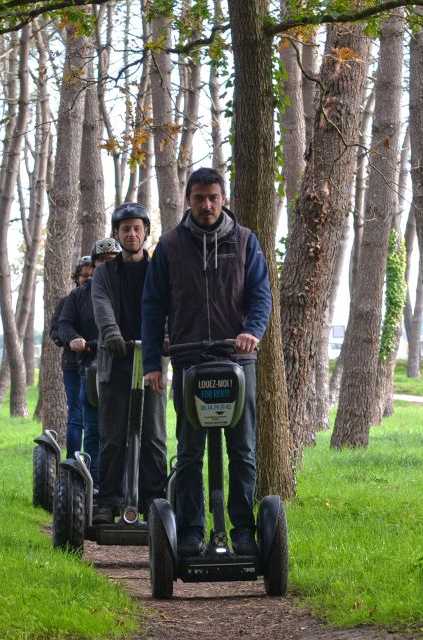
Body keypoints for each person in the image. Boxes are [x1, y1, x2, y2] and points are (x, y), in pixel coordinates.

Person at [142, 167, 272, 557]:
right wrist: (152, 363)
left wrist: (253, 331)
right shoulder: (169, 247)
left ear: (224, 198)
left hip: (237, 359)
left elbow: (260, 295)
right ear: (188, 200)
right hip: (188, 359)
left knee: (243, 449)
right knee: (189, 452)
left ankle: (244, 530)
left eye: (213, 197)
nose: (207, 204)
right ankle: (192, 531)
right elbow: (152, 307)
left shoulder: (246, 242)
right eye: (199, 198)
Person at [91, 203, 167, 524]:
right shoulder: (104, 273)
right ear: (116, 234)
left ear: (146, 232)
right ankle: (108, 500)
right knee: (112, 435)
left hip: (150, 362)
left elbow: (169, 304)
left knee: (153, 435)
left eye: (137, 228)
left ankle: (154, 501)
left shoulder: (158, 269)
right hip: (116, 359)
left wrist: (164, 337)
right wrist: (111, 334)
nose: (132, 234)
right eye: (125, 229)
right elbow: (102, 304)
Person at [57, 239, 120, 488]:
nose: (108, 266)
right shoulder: (79, 295)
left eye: (113, 261)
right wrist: (74, 339)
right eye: (102, 262)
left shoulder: (135, 288)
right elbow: (63, 323)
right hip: (90, 367)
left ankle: (126, 486)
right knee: (90, 425)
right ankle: (91, 485)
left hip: (124, 366)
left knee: (124, 429)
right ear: (95, 266)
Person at [50, 256, 94, 463]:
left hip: (96, 364)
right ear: (76, 278)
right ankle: (73, 462)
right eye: (84, 276)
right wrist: (69, 340)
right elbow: (56, 330)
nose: (88, 279)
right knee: (76, 415)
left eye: (92, 275)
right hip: (73, 364)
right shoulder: (67, 302)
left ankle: (94, 462)